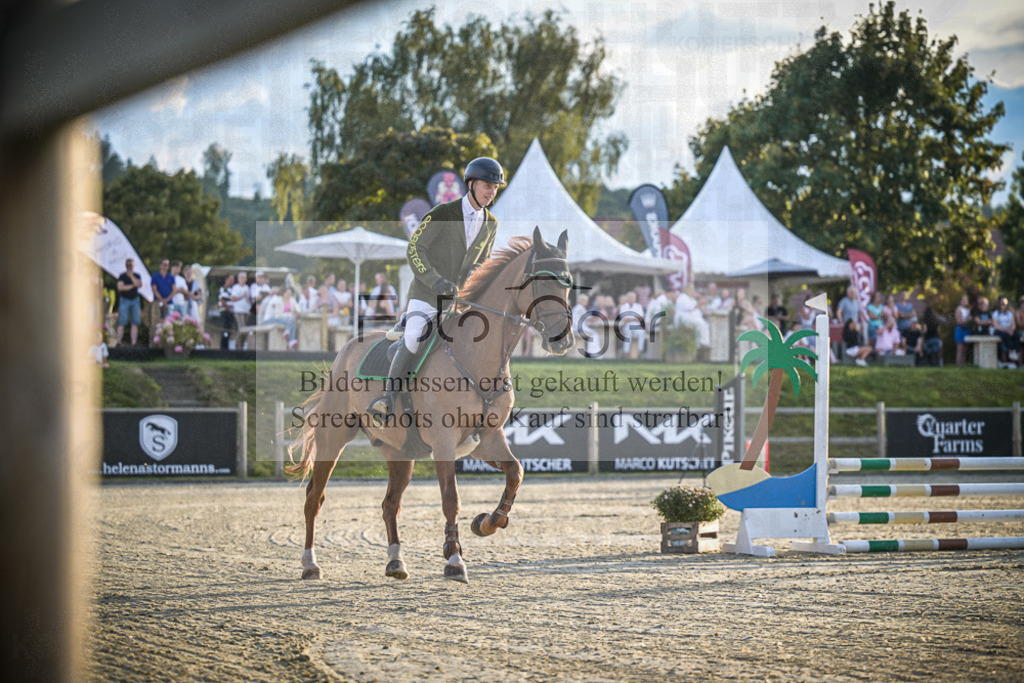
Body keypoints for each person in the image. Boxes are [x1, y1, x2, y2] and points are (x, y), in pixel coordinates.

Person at [369, 156, 504, 419]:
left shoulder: (491, 224)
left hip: (461, 301)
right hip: (427, 295)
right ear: (472, 183)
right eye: (487, 185)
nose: (491, 191)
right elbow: (415, 249)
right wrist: (435, 280)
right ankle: (387, 398)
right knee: (414, 336)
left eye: (495, 187)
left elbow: (483, 262)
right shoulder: (443, 213)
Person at [115, 257, 142, 346]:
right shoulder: (122, 276)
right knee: (121, 321)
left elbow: (139, 285)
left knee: (135, 322)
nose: (130, 266)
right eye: (128, 265)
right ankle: (118, 342)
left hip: (135, 300)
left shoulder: (137, 275)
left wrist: (131, 277)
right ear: (126, 265)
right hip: (124, 300)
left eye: (131, 265)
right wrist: (133, 285)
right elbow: (120, 288)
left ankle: (134, 343)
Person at [992, 296, 1018, 367]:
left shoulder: (1009, 313)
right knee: (1004, 345)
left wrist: (1011, 330)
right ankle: (1010, 351)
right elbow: (996, 326)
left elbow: (1013, 325)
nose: (1004, 305)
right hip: (999, 332)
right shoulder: (996, 313)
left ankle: (1014, 351)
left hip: (1008, 332)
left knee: (1016, 334)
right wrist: (1007, 330)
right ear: (999, 304)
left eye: (1005, 304)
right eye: (1002, 303)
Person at [618, 291, 646, 357]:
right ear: (627, 298)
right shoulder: (623, 307)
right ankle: (626, 352)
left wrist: (630, 319)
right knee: (628, 334)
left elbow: (640, 318)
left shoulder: (638, 306)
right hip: (626, 326)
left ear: (635, 298)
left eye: (633, 297)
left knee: (641, 332)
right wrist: (634, 318)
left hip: (636, 326)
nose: (631, 299)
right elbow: (623, 318)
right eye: (630, 297)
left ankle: (640, 351)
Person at [229, 271, 252, 349]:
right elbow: (232, 298)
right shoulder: (236, 287)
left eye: (244, 278)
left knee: (245, 329)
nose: (243, 279)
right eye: (241, 277)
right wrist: (242, 296)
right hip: (238, 311)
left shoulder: (247, 288)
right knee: (241, 328)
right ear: (238, 279)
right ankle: (237, 344)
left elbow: (248, 299)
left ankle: (241, 345)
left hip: (246, 311)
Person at [217, 273, 236, 350]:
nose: (232, 282)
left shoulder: (232, 289)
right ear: (226, 280)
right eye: (230, 280)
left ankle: (226, 346)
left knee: (229, 329)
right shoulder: (224, 288)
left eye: (233, 280)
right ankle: (223, 347)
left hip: (230, 312)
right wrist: (229, 309)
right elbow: (223, 301)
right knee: (226, 329)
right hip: (225, 311)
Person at [954, 294, 972, 366]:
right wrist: (967, 319)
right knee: (960, 349)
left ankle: (963, 364)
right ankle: (958, 365)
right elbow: (959, 321)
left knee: (965, 349)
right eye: (963, 300)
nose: (965, 301)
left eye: (966, 300)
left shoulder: (968, 310)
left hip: (967, 329)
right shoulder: (959, 309)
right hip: (961, 330)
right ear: (960, 301)